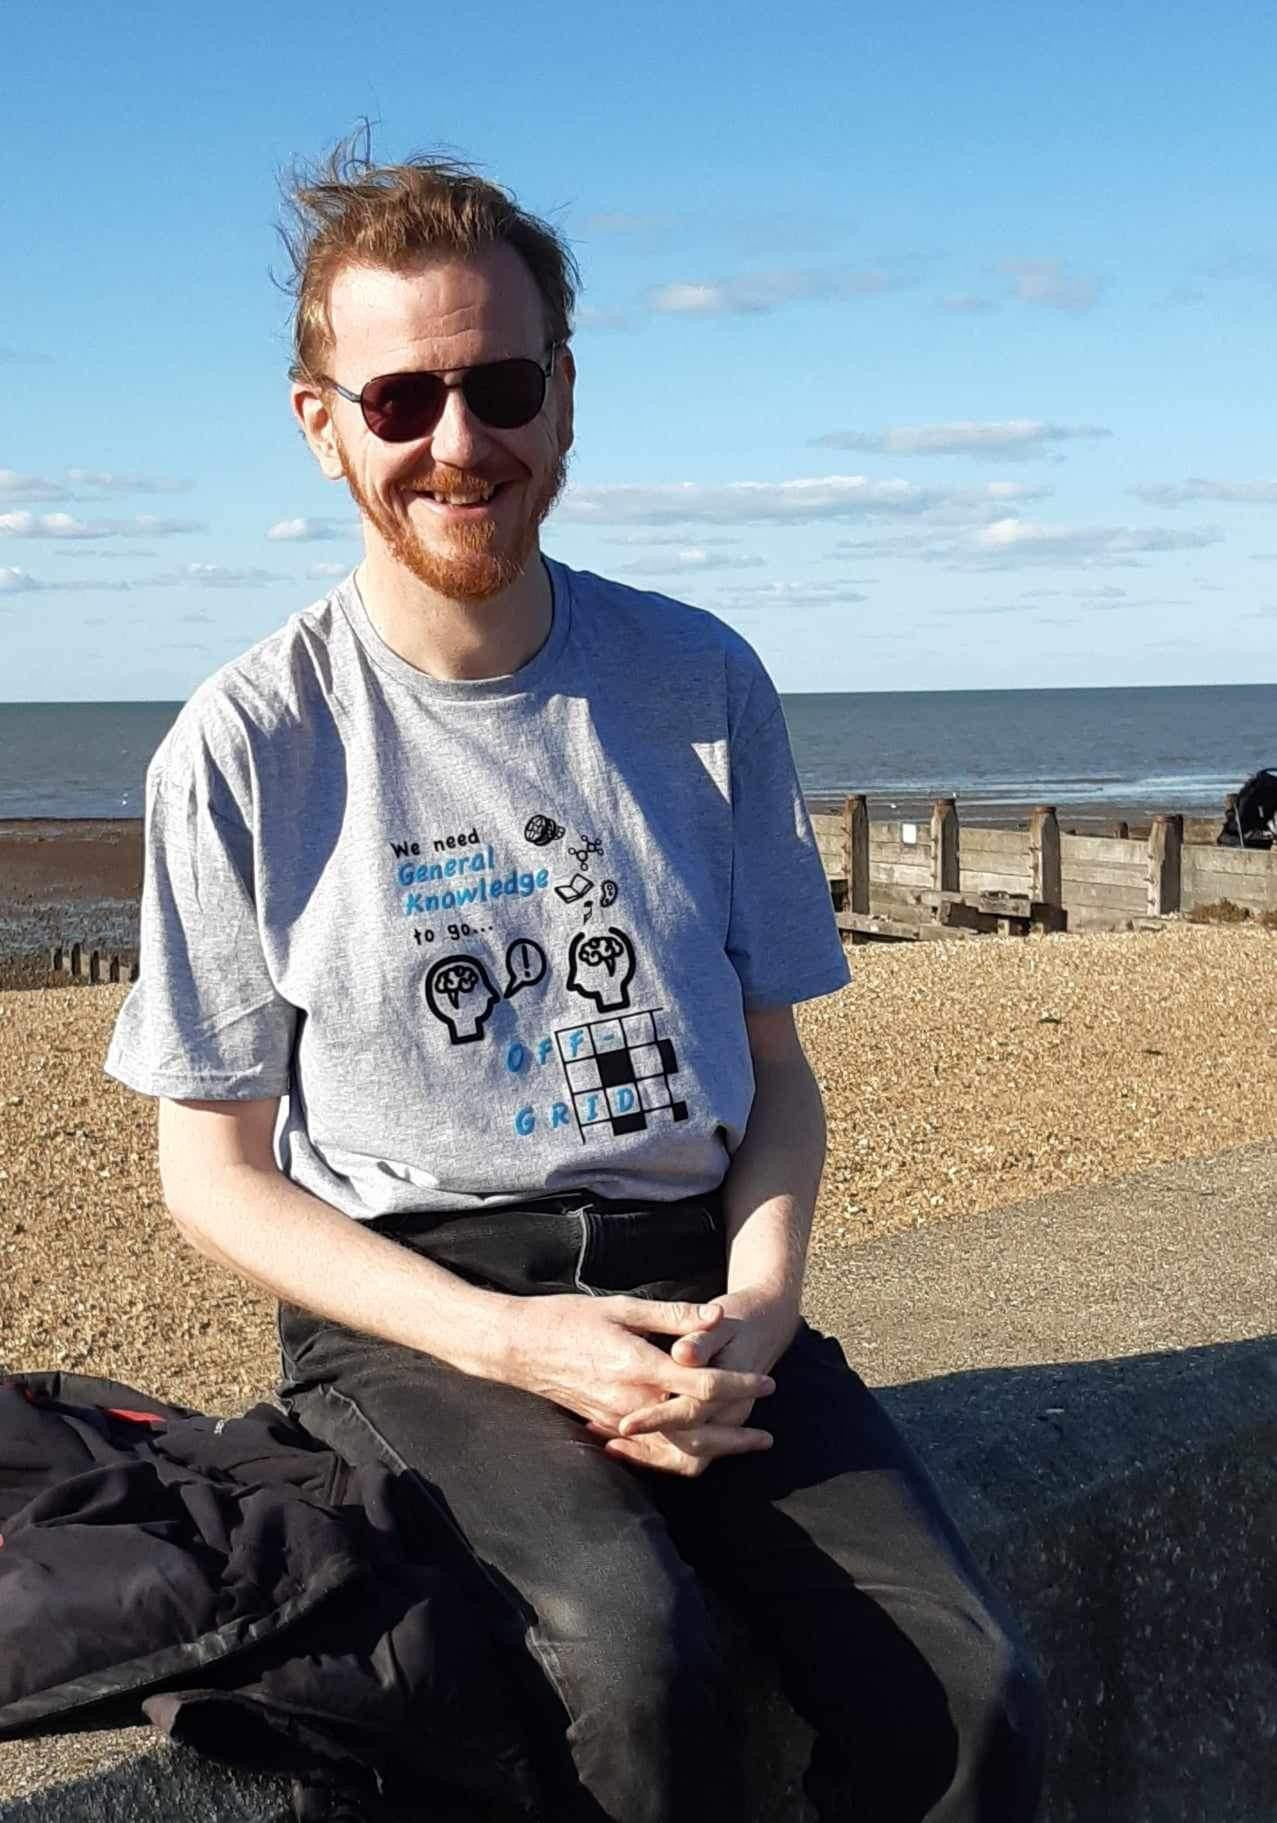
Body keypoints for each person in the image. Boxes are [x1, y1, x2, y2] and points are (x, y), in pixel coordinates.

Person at [105, 139, 1045, 1822]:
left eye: (502, 384)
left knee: (968, 1691)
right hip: (419, 1309)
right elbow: (215, 1174)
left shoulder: (696, 679)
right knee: (631, 1660)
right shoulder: (246, 744)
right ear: (320, 421)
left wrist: (758, 1308)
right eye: (401, 402)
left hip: (700, 1280)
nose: (458, 444)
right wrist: (517, 1346)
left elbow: (772, 1071)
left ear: (562, 396)